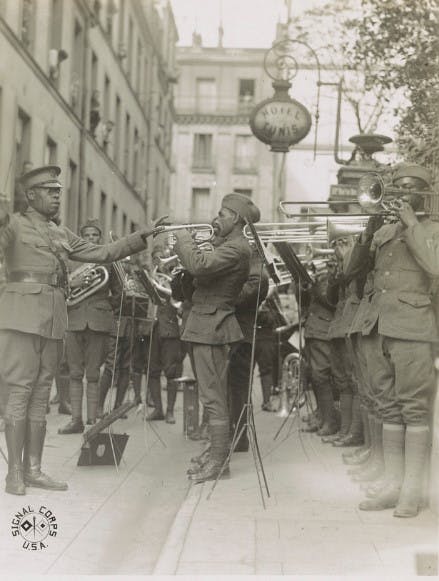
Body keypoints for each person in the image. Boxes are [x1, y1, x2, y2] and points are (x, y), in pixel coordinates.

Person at [0, 165, 163, 495]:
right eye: (49, 190)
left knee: (42, 393)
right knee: (20, 390)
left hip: (54, 319)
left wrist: (142, 236)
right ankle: (14, 473)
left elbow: (102, 253)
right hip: (19, 315)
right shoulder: (13, 225)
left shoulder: (61, 233)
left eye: (59, 190)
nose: (57, 196)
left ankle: (34, 469)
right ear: (30, 195)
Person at [346, 164, 439, 517]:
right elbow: (350, 272)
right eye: (397, 186)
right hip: (377, 328)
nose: (401, 192)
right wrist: (366, 231)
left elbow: (435, 267)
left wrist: (412, 224)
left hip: (413, 328)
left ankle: (412, 493)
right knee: (387, 406)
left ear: (424, 194)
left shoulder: (430, 229)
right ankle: (393, 485)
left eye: (410, 187)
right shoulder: (384, 231)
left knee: (413, 407)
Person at [173, 193, 258, 483]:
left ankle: (219, 463)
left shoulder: (237, 248)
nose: (216, 218)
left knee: (213, 398)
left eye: (222, 214)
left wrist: (184, 239)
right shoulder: (229, 245)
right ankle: (215, 455)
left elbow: (200, 267)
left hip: (213, 324)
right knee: (212, 395)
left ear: (235, 218)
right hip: (206, 322)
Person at [58, 219, 115, 434]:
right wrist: (72, 284)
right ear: (81, 238)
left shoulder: (108, 260)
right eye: (87, 235)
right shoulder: (71, 261)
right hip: (74, 319)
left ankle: (92, 422)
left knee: (93, 373)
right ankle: (76, 420)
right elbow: (60, 287)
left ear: (100, 238)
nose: (91, 238)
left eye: (95, 235)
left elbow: (119, 292)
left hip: (99, 321)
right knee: (74, 372)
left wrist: (110, 315)